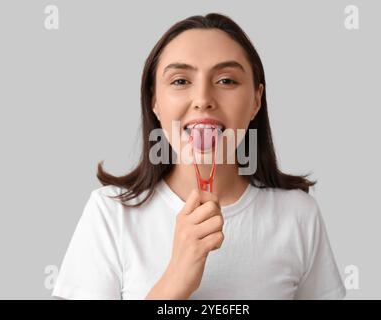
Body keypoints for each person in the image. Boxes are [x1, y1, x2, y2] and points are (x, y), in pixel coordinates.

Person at [52, 13, 346, 300]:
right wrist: (174, 281)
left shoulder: (299, 215)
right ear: (154, 100)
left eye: (226, 81)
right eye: (180, 81)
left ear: (256, 100)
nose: (203, 99)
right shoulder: (110, 215)